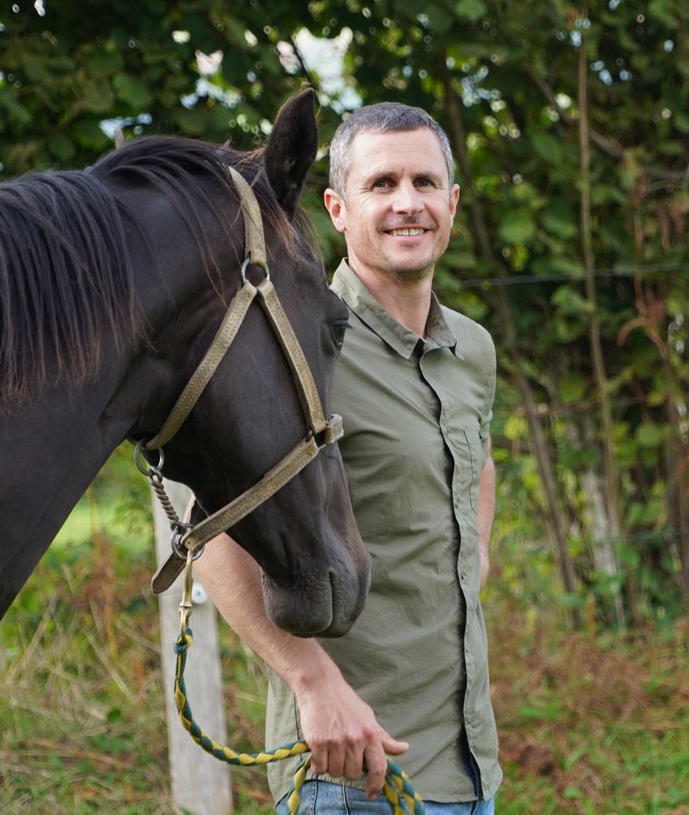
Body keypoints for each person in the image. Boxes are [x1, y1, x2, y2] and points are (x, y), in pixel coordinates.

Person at [194, 102, 501, 814]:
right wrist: (312, 682)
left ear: (452, 203)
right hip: (350, 775)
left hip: (469, 766)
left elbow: (478, 458)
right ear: (337, 208)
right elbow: (208, 537)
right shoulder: (296, 349)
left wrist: (476, 553)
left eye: (425, 183)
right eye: (381, 184)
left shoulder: (472, 348)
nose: (407, 203)